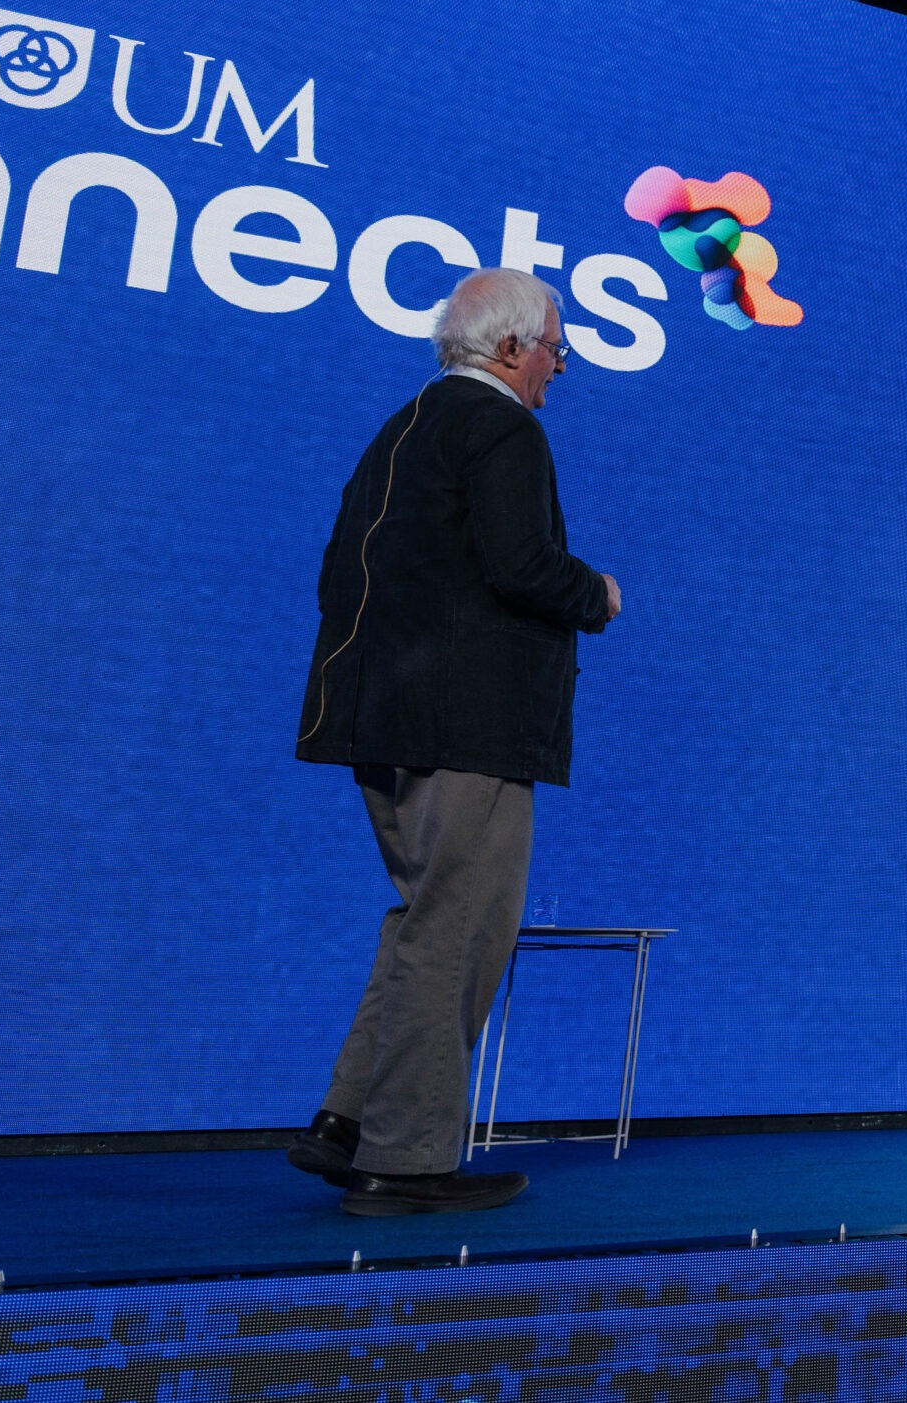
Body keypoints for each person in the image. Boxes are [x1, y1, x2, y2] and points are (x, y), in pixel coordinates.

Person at [286, 269, 621, 1214]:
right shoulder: (503, 428)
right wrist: (594, 593)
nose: (561, 366)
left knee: (422, 918)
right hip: (467, 730)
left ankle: (351, 1118)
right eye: (555, 347)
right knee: (463, 928)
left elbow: (337, 576)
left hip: (379, 723)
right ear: (510, 349)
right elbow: (521, 564)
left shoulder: (400, 429)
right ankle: (406, 1158)